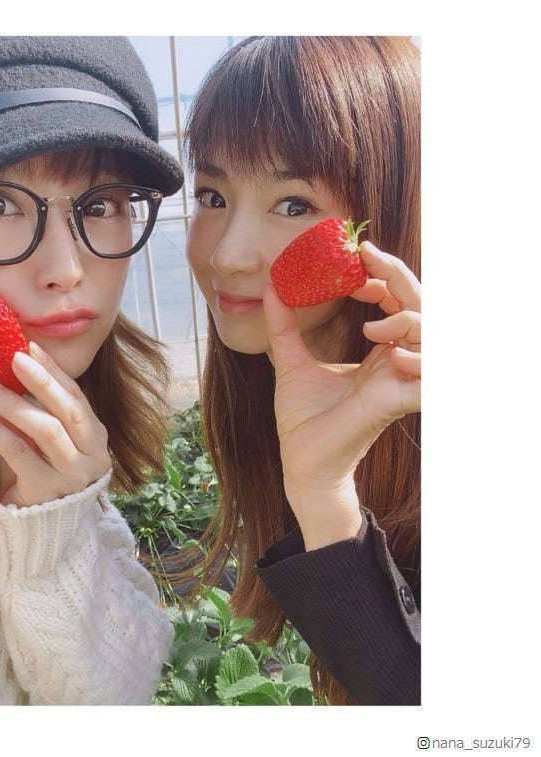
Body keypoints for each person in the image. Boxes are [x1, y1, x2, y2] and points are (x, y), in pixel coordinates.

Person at [0, 36, 184, 705]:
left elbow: (116, 702)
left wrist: (51, 524)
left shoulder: (73, 438)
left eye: (100, 204)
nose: (67, 268)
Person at [183, 36, 421, 705]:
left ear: (389, 214)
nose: (227, 256)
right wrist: (323, 495)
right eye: (212, 194)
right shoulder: (280, 396)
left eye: (293, 204)